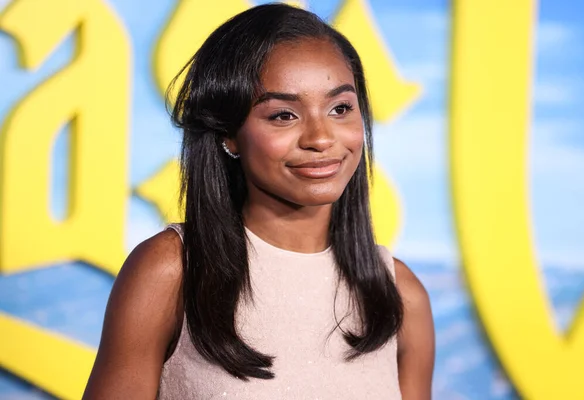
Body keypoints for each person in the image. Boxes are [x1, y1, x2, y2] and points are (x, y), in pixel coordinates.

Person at [83, 3, 434, 399]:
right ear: (228, 135)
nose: (320, 138)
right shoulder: (171, 270)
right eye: (284, 115)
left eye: (340, 108)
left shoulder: (400, 293)